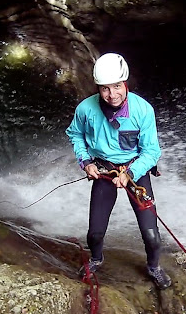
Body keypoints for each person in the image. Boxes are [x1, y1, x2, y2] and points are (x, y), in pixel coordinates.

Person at [66, 53, 172, 290]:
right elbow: (75, 134)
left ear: (125, 83)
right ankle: (96, 259)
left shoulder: (143, 110)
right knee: (94, 234)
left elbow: (151, 152)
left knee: (152, 236)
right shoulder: (86, 109)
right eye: (105, 89)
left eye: (116, 86)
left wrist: (130, 174)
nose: (112, 94)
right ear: (98, 88)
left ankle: (154, 267)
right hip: (103, 170)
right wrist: (86, 162)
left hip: (136, 171)